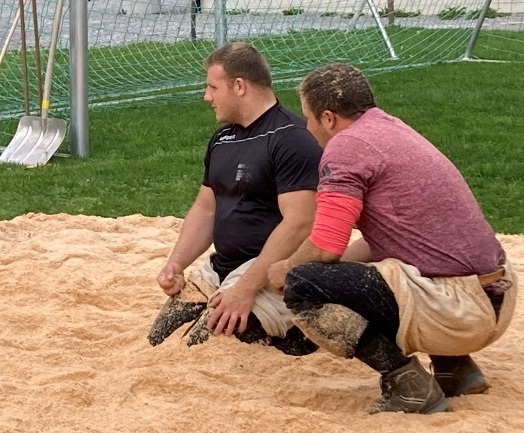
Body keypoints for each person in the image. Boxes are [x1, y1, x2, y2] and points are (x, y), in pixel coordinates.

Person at [267, 63, 516, 415]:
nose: (307, 127)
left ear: (328, 118)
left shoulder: (346, 146)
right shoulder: (390, 128)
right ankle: (455, 368)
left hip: (457, 311)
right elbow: (381, 241)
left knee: (303, 283)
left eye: (308, 118)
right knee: (370, 269)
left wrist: (287, 270)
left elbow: (325, 246)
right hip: (494, 295)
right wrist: (336, 279)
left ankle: (408, 384)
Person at [148, 42, 321, 354]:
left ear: (239, 86)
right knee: (159, 338)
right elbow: (206, 208)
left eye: (213, 87)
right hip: (221, 269)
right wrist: (176, 263)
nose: (207, 96)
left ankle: (297, 331)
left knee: (204, 347)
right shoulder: (222, 138)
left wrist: (245, 288)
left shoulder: (292, 138)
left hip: (266, 275)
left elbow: (300, 223)